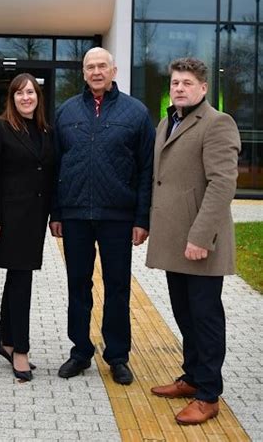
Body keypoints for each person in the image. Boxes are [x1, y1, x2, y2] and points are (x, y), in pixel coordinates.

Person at [51, 47, 155, 385]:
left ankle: (117, 356)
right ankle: (80, 351)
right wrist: (56, 212)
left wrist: (142, 219)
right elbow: (54, 166)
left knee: (118, 287)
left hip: (118, 217)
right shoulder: (66, 111)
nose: (96, 72)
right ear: (83, 72)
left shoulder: (136, 112)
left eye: (102, 66)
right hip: (75, 215)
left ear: (114, 70)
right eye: (90, 67)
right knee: (78, 284)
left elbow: (147, 169)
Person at [146, 57, 241, 426]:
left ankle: (208, 394)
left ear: (203, 88)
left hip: (200, 243)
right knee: (184, 313)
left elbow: (222, 185)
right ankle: (192, 376)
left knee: (205, 318)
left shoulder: (218, 123)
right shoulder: (168, 121)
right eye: (175, 83)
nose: (179, 88)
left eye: (187, 83)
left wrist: (201, 237)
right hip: (175, 241)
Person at [0, 73, 54, 382]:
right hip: (10, 219)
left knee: (17, 279)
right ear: (11, 98)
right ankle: (20, 350)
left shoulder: (45, 130)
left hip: (35, 219)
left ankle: (5, 341)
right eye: (20, 93)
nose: (26, 98)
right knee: (21, 282)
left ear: (38, 97)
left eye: (31, 92)